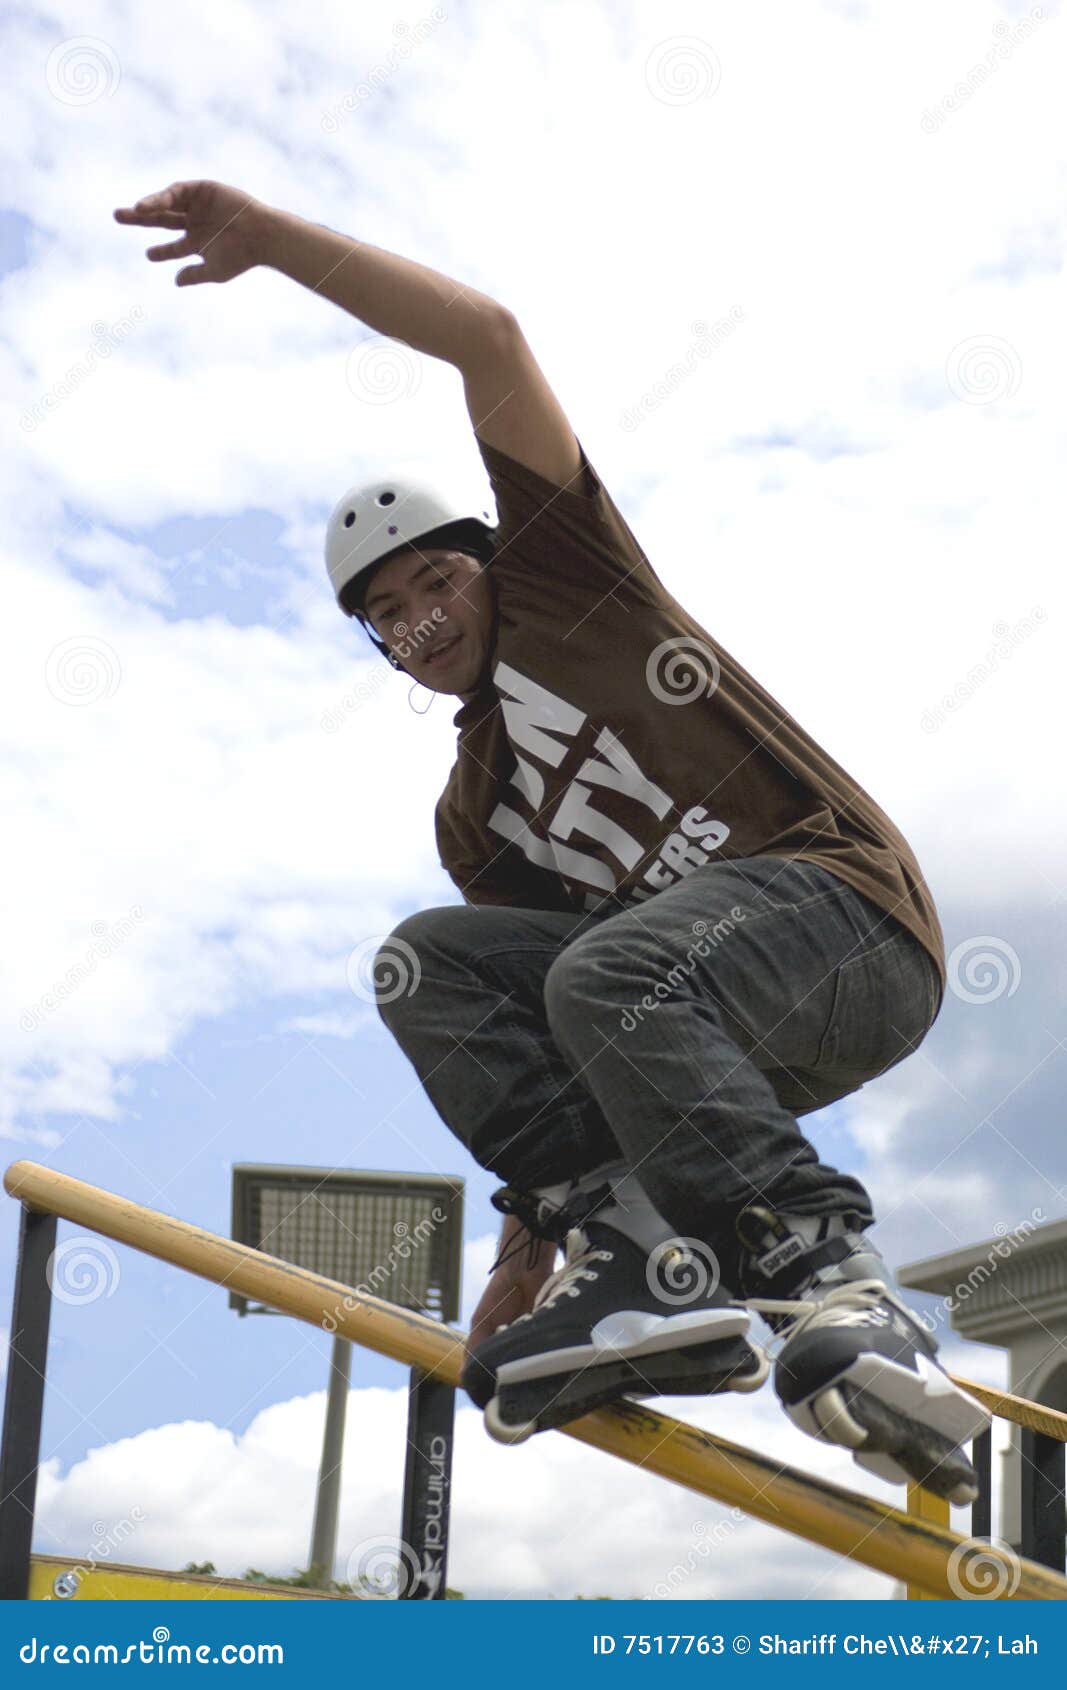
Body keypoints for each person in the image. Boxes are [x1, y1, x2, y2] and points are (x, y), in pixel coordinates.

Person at [114, 179, 990, 1500]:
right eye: (390, 616)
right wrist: (529, 1262)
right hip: (710, 1027)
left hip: (849, 924)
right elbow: (538, 1030)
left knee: (609, 970)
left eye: (437, 580)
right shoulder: (473, 810)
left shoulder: (573, 580)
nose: (421, 618)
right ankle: (639, 1261)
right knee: (434, 963)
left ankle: (826, 1270)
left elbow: (491, 341)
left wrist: (278, 246)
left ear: (488, 563)